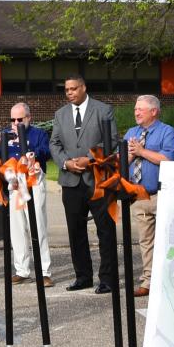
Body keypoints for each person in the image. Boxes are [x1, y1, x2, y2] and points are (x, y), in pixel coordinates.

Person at [50, 76, 118, 293]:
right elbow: (55, 143)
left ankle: (107, 278)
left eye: (73, 89)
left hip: (98, 179)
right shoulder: (60, 114)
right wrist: (65, 163)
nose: (69, 92)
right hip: (71, 183)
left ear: (84, 88)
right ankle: (83, 277)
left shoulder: (103, 110)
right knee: (76, 231)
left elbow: (111, 141)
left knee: (105, 230)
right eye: (67, 89)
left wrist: (89, 159)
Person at [0, 103, 54, 287]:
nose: (16, 123)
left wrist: (33, 155)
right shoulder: (5, 134)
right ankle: (22, 270)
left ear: (28, 118)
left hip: (33, 179)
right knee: (17, 228)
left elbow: (46, 152)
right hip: (15, 182)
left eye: (20, 119)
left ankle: (44, 271)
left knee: (38, 226)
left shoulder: (38, 133)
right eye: (13, 119)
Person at [124, 95, 174, 297]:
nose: (136, 112)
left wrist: (141, 151)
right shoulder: (131, 133)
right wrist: (130, 154)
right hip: (139, 197)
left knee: (169, 239)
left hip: (162, 195)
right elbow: (120, 161)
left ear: (154, 111)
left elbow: (168, 160)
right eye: (135, 109)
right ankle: (148, 281)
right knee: (145, 241)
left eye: (141, 109)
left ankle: (172, 281)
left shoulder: (167, 132)